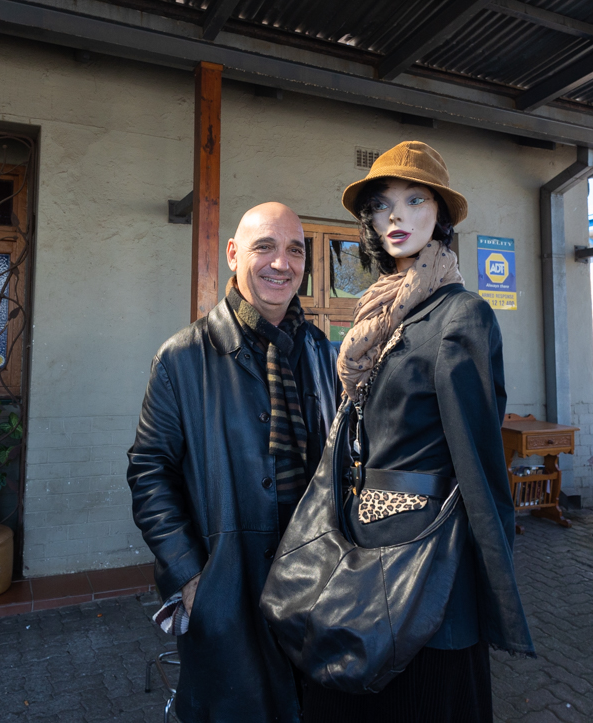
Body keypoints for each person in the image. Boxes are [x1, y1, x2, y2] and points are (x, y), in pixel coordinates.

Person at [300, 142, 534, 722]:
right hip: (360, 547)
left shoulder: (462, 315)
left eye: (415, 200)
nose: (397, 217)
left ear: (441, 216)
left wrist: (490, 578)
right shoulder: (378, 314)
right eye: (382, 206)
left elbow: (479, 461)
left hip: (429, 562)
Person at [127, 202, 340, 723]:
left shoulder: (318, 351)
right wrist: (190, 578)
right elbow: (150, 471)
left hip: (317, 584)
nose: (281, 263)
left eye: (295, 250)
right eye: (264, 246)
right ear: (232, 255)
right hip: (229, 590)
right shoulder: (181, 357)